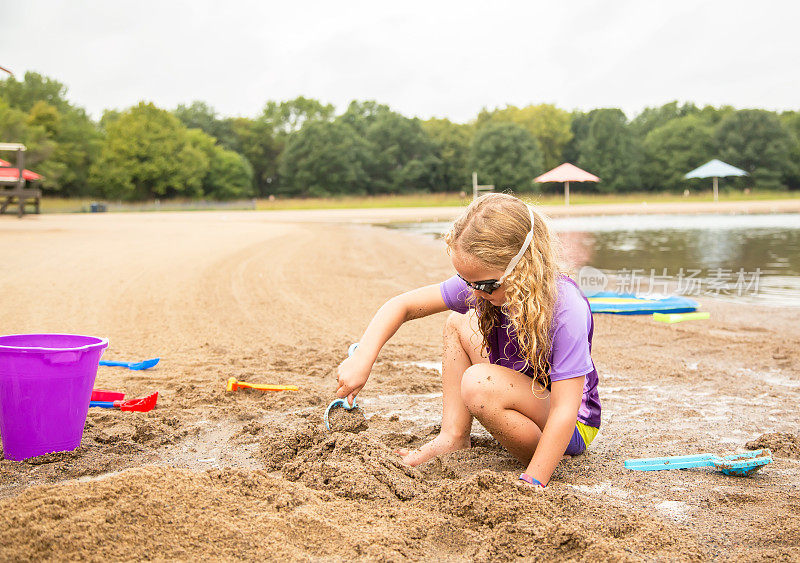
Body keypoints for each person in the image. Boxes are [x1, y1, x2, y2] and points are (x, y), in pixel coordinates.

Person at [335, 193, 600, 488]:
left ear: (521, 268)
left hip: (571, 425)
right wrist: (362, 358)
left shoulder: (565, 309)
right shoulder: (483, 285)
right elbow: (402, 306)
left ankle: (545, 457)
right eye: (466, 282)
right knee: (458, 322)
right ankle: (453, 436)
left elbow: (565, 410)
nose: (473, 293)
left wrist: (533, 481)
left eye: (484, 285)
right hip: (525, 389)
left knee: (478, 384)